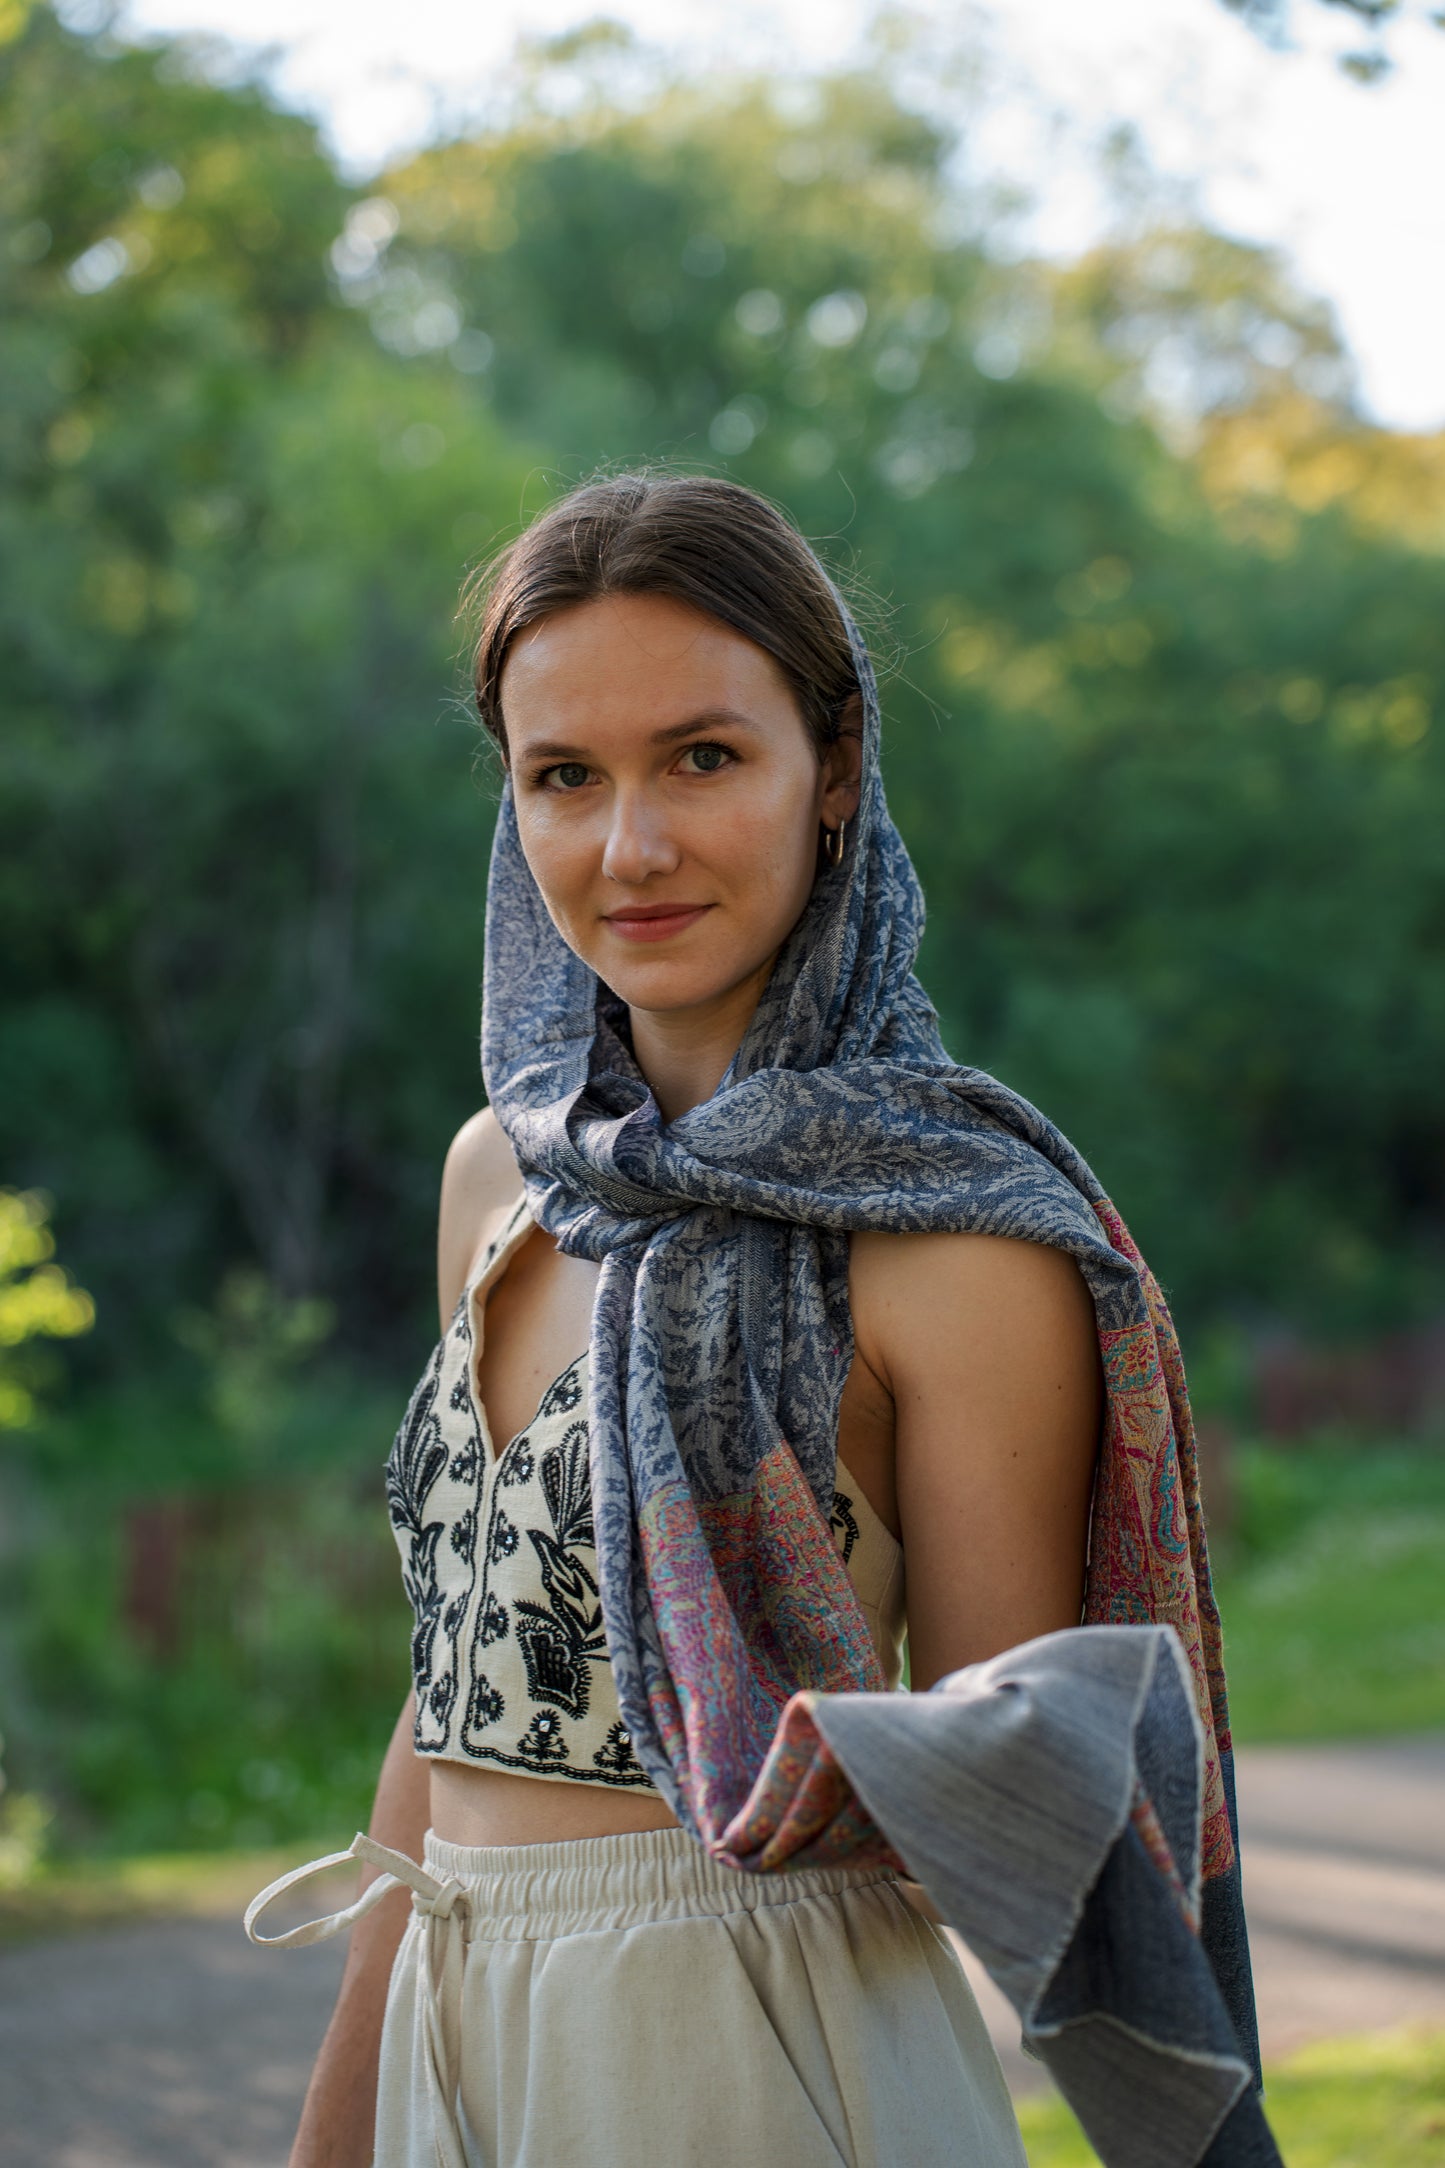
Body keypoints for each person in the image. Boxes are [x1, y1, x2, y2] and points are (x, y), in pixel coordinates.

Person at [245, 471, 1243, 2168]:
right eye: (565, 776)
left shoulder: (951, 1243)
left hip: (751, 2051)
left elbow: (1007, 1816)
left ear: (834, 765)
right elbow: (452, 1695)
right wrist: (341, 2120)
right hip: (454, 2027)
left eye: (701, 757)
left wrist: (819, 1754)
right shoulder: (504, 1176)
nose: (628, 848)